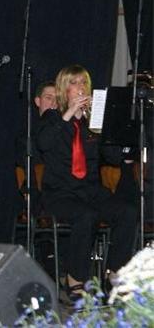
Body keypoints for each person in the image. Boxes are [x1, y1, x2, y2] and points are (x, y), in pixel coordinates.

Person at [36, 64, 137, 300]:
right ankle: (75, 278)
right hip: (60, 193)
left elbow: (112, 157)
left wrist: (120, 142)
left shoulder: (93, 123)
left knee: (128, 211)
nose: (80, 87)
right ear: (64, 90)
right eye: (74, 83)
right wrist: (69, 113)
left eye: (84, 83)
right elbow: (43, 143)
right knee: (86, 215)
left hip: (90, 190)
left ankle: (113, 274)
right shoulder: (53, 117)